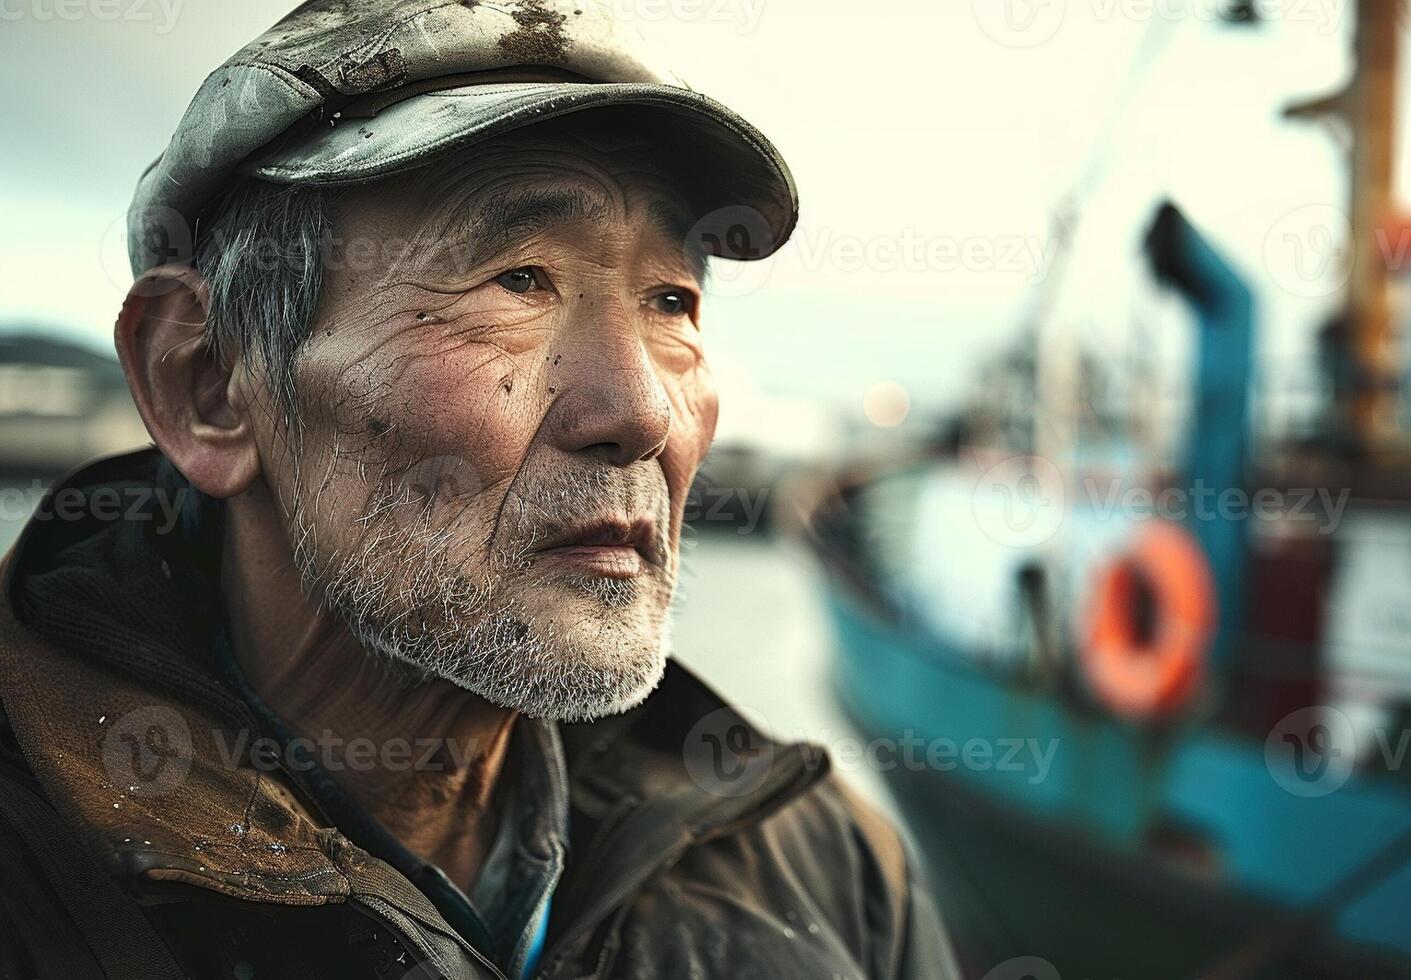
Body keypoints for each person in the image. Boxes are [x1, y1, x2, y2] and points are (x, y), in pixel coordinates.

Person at [0, 1, 961, 977]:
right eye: (520, 279)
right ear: (206, 382)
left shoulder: (827, 868)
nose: (641, 412)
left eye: (671, 299)